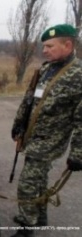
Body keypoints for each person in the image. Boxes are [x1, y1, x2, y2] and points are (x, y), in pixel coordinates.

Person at [11, 24, 82, 237]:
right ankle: (38, 217)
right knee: (38, 181)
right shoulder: (46, 69)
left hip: (51, 141)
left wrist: (78, 153)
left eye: (50, 46)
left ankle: (26, 227)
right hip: (33, 135)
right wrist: (18, 124)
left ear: (67, 45)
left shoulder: (78, 75)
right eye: (44, 46)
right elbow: (30, 99)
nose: (45, 50)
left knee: (27, 183)